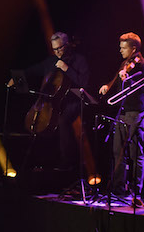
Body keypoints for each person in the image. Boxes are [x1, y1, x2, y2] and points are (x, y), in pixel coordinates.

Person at [10, 32, 91, 173]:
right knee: (47, 124)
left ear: (67, 45)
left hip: (73, 101)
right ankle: (42, 161)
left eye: (60, 48)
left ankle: (67, 162)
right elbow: (34, 70)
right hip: (52, 102)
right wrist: (17, 78)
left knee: (63, 121)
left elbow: (84, 83)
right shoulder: (51, 60)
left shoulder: (79, 60)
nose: (57, 52)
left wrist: (67, 69)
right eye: (54, 49)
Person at [99, 32, 144, 206]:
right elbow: (116, 78)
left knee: (136, 153)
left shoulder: (143, 66)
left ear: (133, 48)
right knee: (117, 152)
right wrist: (108, 85)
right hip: (122, 112)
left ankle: (137, 192)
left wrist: (128, 80)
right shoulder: (125, 63)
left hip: (136, 113)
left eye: (123, 47)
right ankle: (118, 189)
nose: (120, 50)